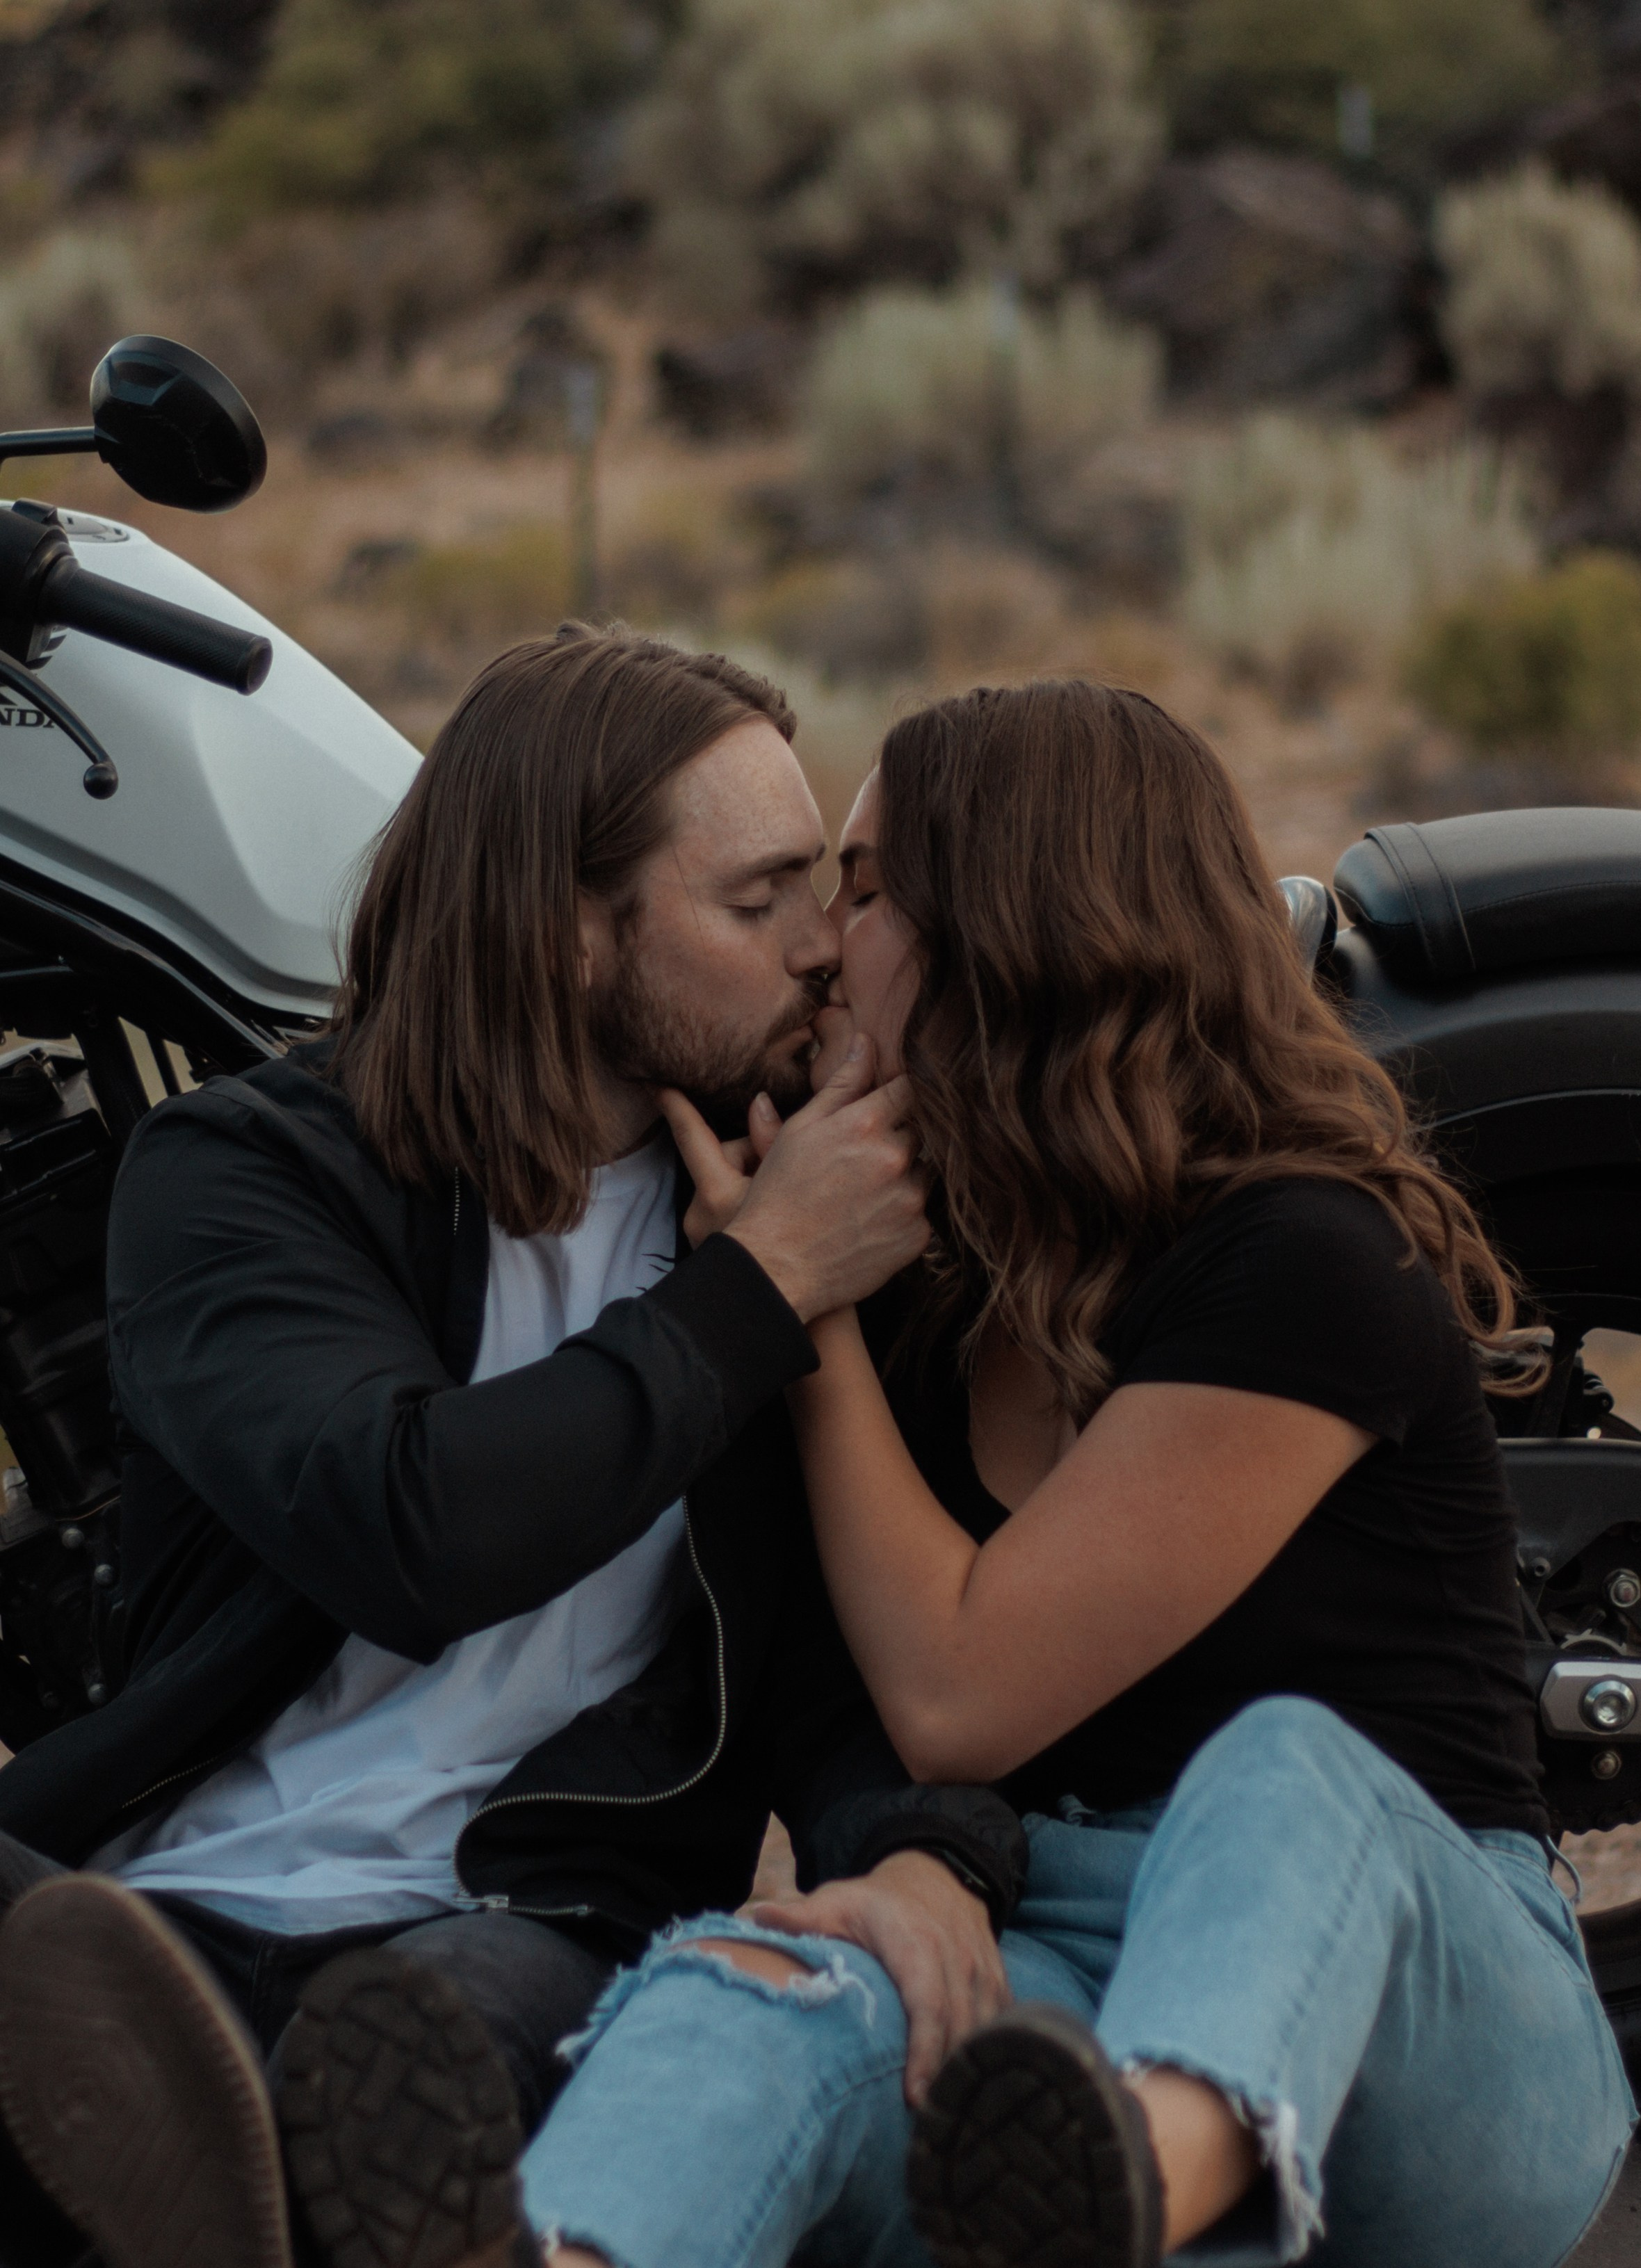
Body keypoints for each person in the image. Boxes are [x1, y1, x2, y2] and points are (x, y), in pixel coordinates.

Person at [512, 678, 1636, 2268]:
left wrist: (803, 1308)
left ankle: (1127, 2193)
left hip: (1428, 2010)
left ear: (1017, 922)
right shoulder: (922, 1286)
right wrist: (802, 1290)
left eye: (866, 884)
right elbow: (855, 1706)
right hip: (1061, 1976)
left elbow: (962, 1690)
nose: (826, 943)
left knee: (1281, 1767)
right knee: (762, 1982)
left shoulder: (1301, 1254)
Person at [0, 628, 1026, 2268]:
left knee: (423, 2037)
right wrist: (761, 1288)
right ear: (567, 938)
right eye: (757, 905)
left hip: (517, 1920)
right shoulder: (250, 1174)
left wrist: (927, 1857)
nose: (825, 951)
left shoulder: (808, 1223)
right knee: (87, 1991)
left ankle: (224, 2188)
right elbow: (414, 1523)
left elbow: (862, 1643)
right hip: (157, 1903)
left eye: (823, 894)